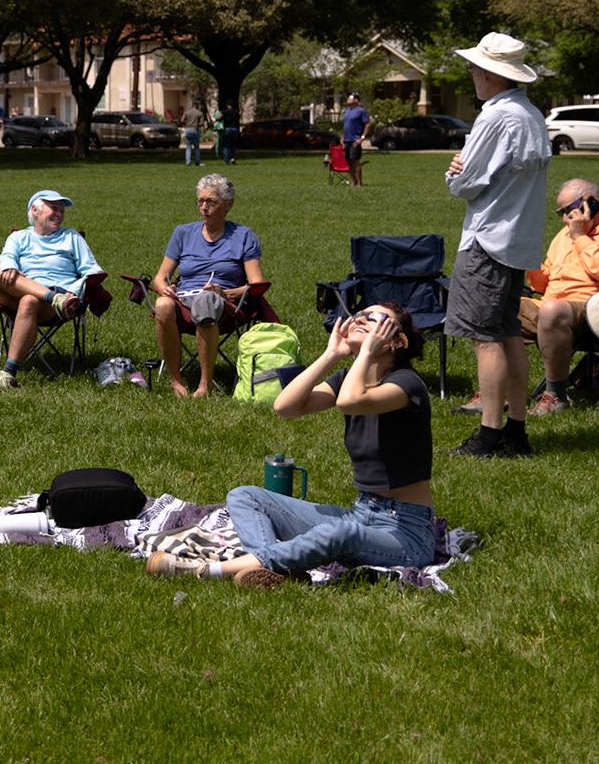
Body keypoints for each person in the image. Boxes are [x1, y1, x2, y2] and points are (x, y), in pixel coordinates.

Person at [151, 303, 432, 589]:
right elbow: (285, 406)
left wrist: (367, 352)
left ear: (396, 341)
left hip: (405, 532)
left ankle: (208, 570)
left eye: (373, 318)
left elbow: (350, 402)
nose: (359, 320)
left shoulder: (407, 384)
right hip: (361, 513)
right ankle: (279, 569)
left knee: (338, 534)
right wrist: (331, 354)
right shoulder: (349, 379)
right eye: (358, 315)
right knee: (245, 496)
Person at [459, 178, 599, 417]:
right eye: (561, 213)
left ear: (593, 203)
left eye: (568, 211)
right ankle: (497, 391)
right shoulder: (563, 235)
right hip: (552, 305)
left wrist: (581, 238)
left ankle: (556, 395)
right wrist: (525, 257)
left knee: (551, 310)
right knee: (489, 307)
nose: (564, 219)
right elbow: (543, 283)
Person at [444, 33, 551, 459]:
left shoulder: (494, 118)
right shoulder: (531, 115)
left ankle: (489, 437)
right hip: (519, 241)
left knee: (485, 338)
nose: (471, 75)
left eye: (473, 68)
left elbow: (464, 183)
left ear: (489, 74)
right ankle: (517, 432)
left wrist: (454, 172)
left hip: (487, 240)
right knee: (508, 334)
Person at [149, 173, 266, 398]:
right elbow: (160, 276)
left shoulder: (243, 235)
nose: (204, 207)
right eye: (200, 201)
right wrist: (164, 287)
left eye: (211, 202)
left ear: (228, 205)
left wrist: (226, 293)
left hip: (226, 305)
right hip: (184, 298)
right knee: (162, 304)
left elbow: (257, 284)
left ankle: (205, 384)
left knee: (206, 301)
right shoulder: (183, 233)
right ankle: (176, 381)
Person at [0, 189, 104, 390]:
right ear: (35, 210)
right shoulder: (19, 237)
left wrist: (74, 291)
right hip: (20, 295)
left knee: (29, 300)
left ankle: (8, 374)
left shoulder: (71, 237)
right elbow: (6, 257)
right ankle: (52, 297)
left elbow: (91, 271)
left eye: (62, 211)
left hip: (57, 302)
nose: (59, 214)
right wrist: (10, 265)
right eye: (54, 209)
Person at [341, 93, 372, 187]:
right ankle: (352, 181)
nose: (348, 99)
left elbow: (368, 124)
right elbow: (346, 126)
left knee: (355, 160)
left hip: (355, 139)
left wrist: (362, 138)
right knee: (349, 161)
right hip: (347, 140)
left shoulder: (361, 111)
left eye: (351, 97)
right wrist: (342, 138)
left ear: (356, 100)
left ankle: (359, 182)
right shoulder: (346, 111)